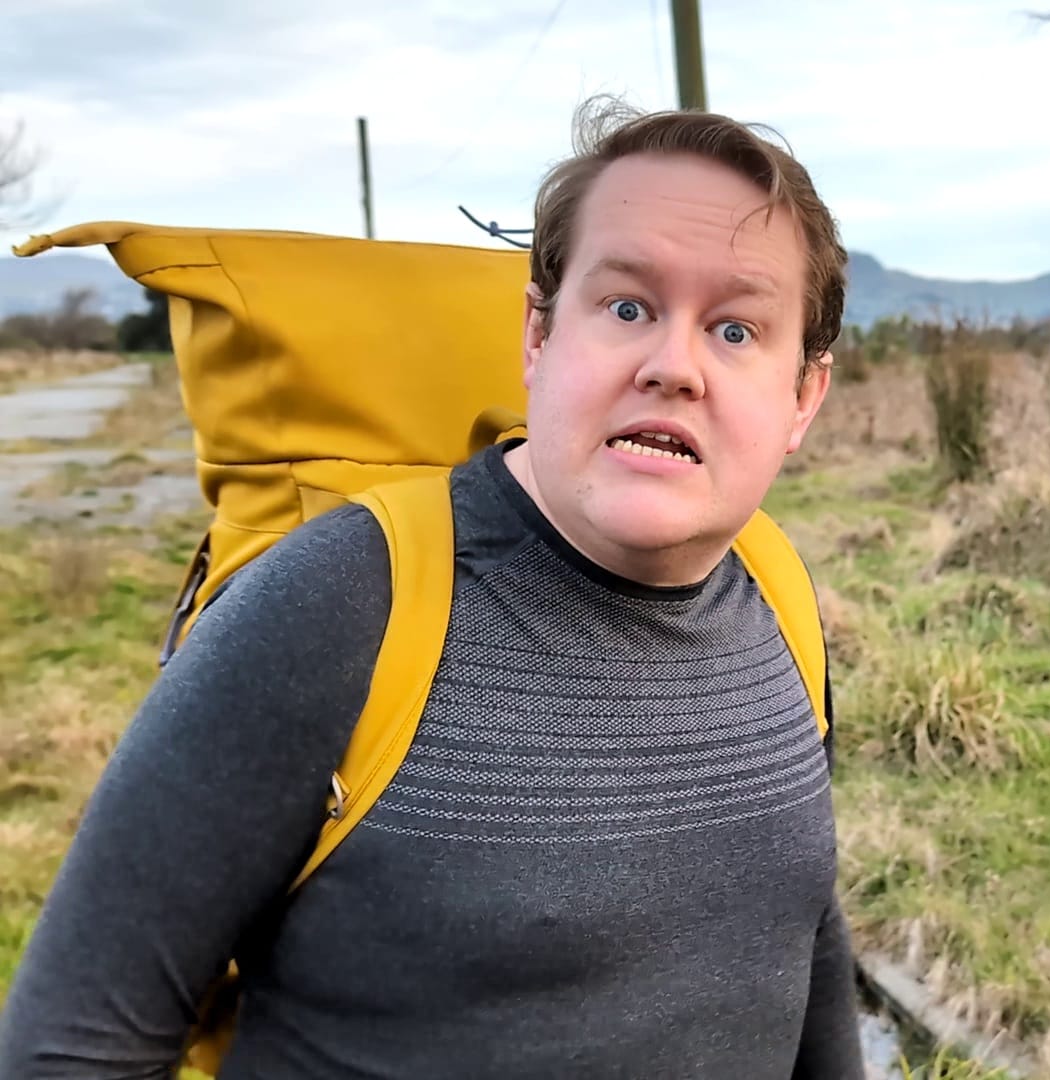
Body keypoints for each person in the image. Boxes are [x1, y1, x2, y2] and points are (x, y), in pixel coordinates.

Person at [0, 98, 863, 1078]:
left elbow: (803, 933)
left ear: (803, 396)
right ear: (538, 334)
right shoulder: (338, 608)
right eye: (627, 307)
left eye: (738, 331)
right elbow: (70, 1051)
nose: (675, 366)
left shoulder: (779, 591)